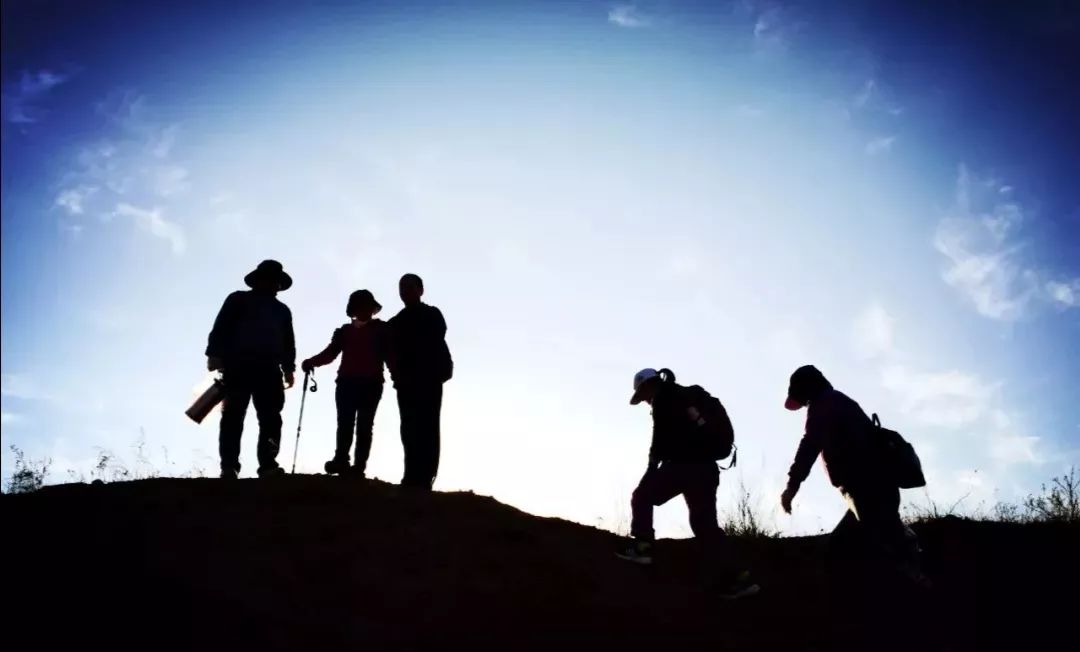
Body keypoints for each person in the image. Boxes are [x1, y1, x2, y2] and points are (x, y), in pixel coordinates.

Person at [616, 367, 760, 600]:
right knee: (705, 526)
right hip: (707, 470)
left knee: (641, 496)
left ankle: (642, 547)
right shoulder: (686, 395)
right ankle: (738, 579)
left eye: (642, 396)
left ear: (648, 386)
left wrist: (651, 471)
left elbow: (659, 440)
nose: (645, 402)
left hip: (683, 466)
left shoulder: (664, 398)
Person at [780, 365, 924, 583]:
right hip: (871, 485)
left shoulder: (824, 404)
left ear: (808, 391)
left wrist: (792, 486)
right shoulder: (838, 401)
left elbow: (810, 444)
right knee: (848, 544)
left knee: (879, 545)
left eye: (803, 401)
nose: (804, 407)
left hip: (866, 486)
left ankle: (916, 588)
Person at [205, 260, 296, 479]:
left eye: (275, 280)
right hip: (238, 365)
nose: (273, 284)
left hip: (269, 369)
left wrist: (288, 368)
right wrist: (214, 354)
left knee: (271, 419)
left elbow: (288, 343)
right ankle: (229, 466)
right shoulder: (237, 299)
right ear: (259, 279)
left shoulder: (282, 311)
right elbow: (221, 326)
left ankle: (268, 465)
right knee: (233, 417)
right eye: (269, 279)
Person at [301, 290, 390, 478]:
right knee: (346, 424)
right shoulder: (345, 332)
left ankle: (358, 466)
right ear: (354, 309)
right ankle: (342, 461)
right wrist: (311, 362)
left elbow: (392, 356)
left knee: (364, 425)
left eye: (366, 306)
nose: (364, 310)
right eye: (360, 306)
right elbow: (330, 353)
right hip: (348, 383)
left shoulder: (382, 330)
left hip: (370, 383)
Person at [387, 273, 452, 490]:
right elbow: (390, 348)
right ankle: (411, 475)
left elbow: (436, 336)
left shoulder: (432, 314)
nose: (404, 291)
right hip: (407, 381)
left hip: (429, 378)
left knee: (428, 427)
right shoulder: (396, 322)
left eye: (409, 287)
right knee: (409, 428)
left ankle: (425, 477)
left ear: (420, 290)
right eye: (402, 287)